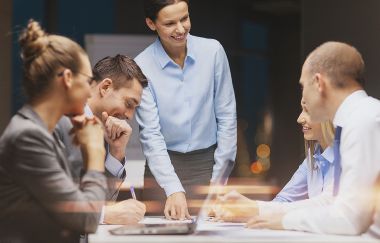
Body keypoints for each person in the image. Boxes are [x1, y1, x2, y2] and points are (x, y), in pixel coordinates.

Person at [246, 41, 380, 235]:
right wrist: (264, 212)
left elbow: (350, 218)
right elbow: (337, 203)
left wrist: (284, 220)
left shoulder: (363, 120)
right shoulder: (360, 116)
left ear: (318, 83)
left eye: (303, 86)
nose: (303, 99)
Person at [0, 20, 107, 243]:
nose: (90, 91)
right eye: (88, 81)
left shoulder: (42, 133)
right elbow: (86, 217)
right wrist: (96, 152)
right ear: (67, 78)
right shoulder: (27, 137)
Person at [135, 0, 237, 220]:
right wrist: (172, 188)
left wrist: (218, 183)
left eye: (185, 18)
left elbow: (227, 117)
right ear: (151, 24)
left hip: (209, 165)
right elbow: (150, 134)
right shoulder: (142, 66)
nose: (181, 29)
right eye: (170, 23)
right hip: (162, 169)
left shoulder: (213, 52)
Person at [55, 55, 148, 225]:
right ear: (105, 87)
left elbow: (101, 201)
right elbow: (44, 198)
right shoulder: (58, 121)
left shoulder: (103, 131)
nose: (129, 115)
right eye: (129, 103)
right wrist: (104, 215)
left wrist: (116, 152)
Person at [212, 105, 336, 222]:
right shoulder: (313, 156)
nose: (299, 119)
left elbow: (328, 204)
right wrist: (244, 213)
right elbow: (284, 200)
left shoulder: (346, 154)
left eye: (307, 110)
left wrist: (255, 208)